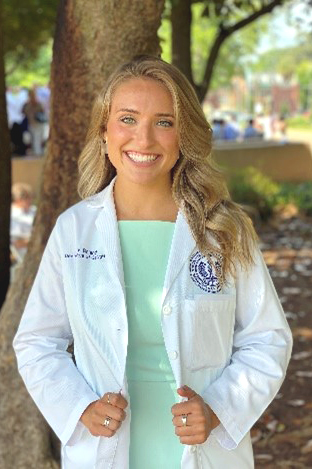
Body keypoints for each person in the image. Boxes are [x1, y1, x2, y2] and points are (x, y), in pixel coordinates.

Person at [13, 55, 292, 469]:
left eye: (164, 122)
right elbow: (36, 341)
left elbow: (267, 339)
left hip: (202, 445)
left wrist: (219, 409)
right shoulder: (74, 230)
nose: (143, 140)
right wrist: (79, 407)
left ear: (184, 135)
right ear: (104, 131)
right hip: (106, 444)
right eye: (127, 119)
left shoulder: (224, 230)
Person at [10, 182, 36, 262]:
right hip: (22, 257)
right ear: (18, 199)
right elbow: (16, 242)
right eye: (26, 198)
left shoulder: (33, 210)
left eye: (30, 197)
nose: (30, 200)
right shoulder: (13, 214)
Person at [22, 88, 46, 156]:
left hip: (35, 123)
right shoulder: (29, 104)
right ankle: (37, 152)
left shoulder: (34, 104)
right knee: (35, 139)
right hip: (33, 123)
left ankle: (37, 152)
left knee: (36, 139)